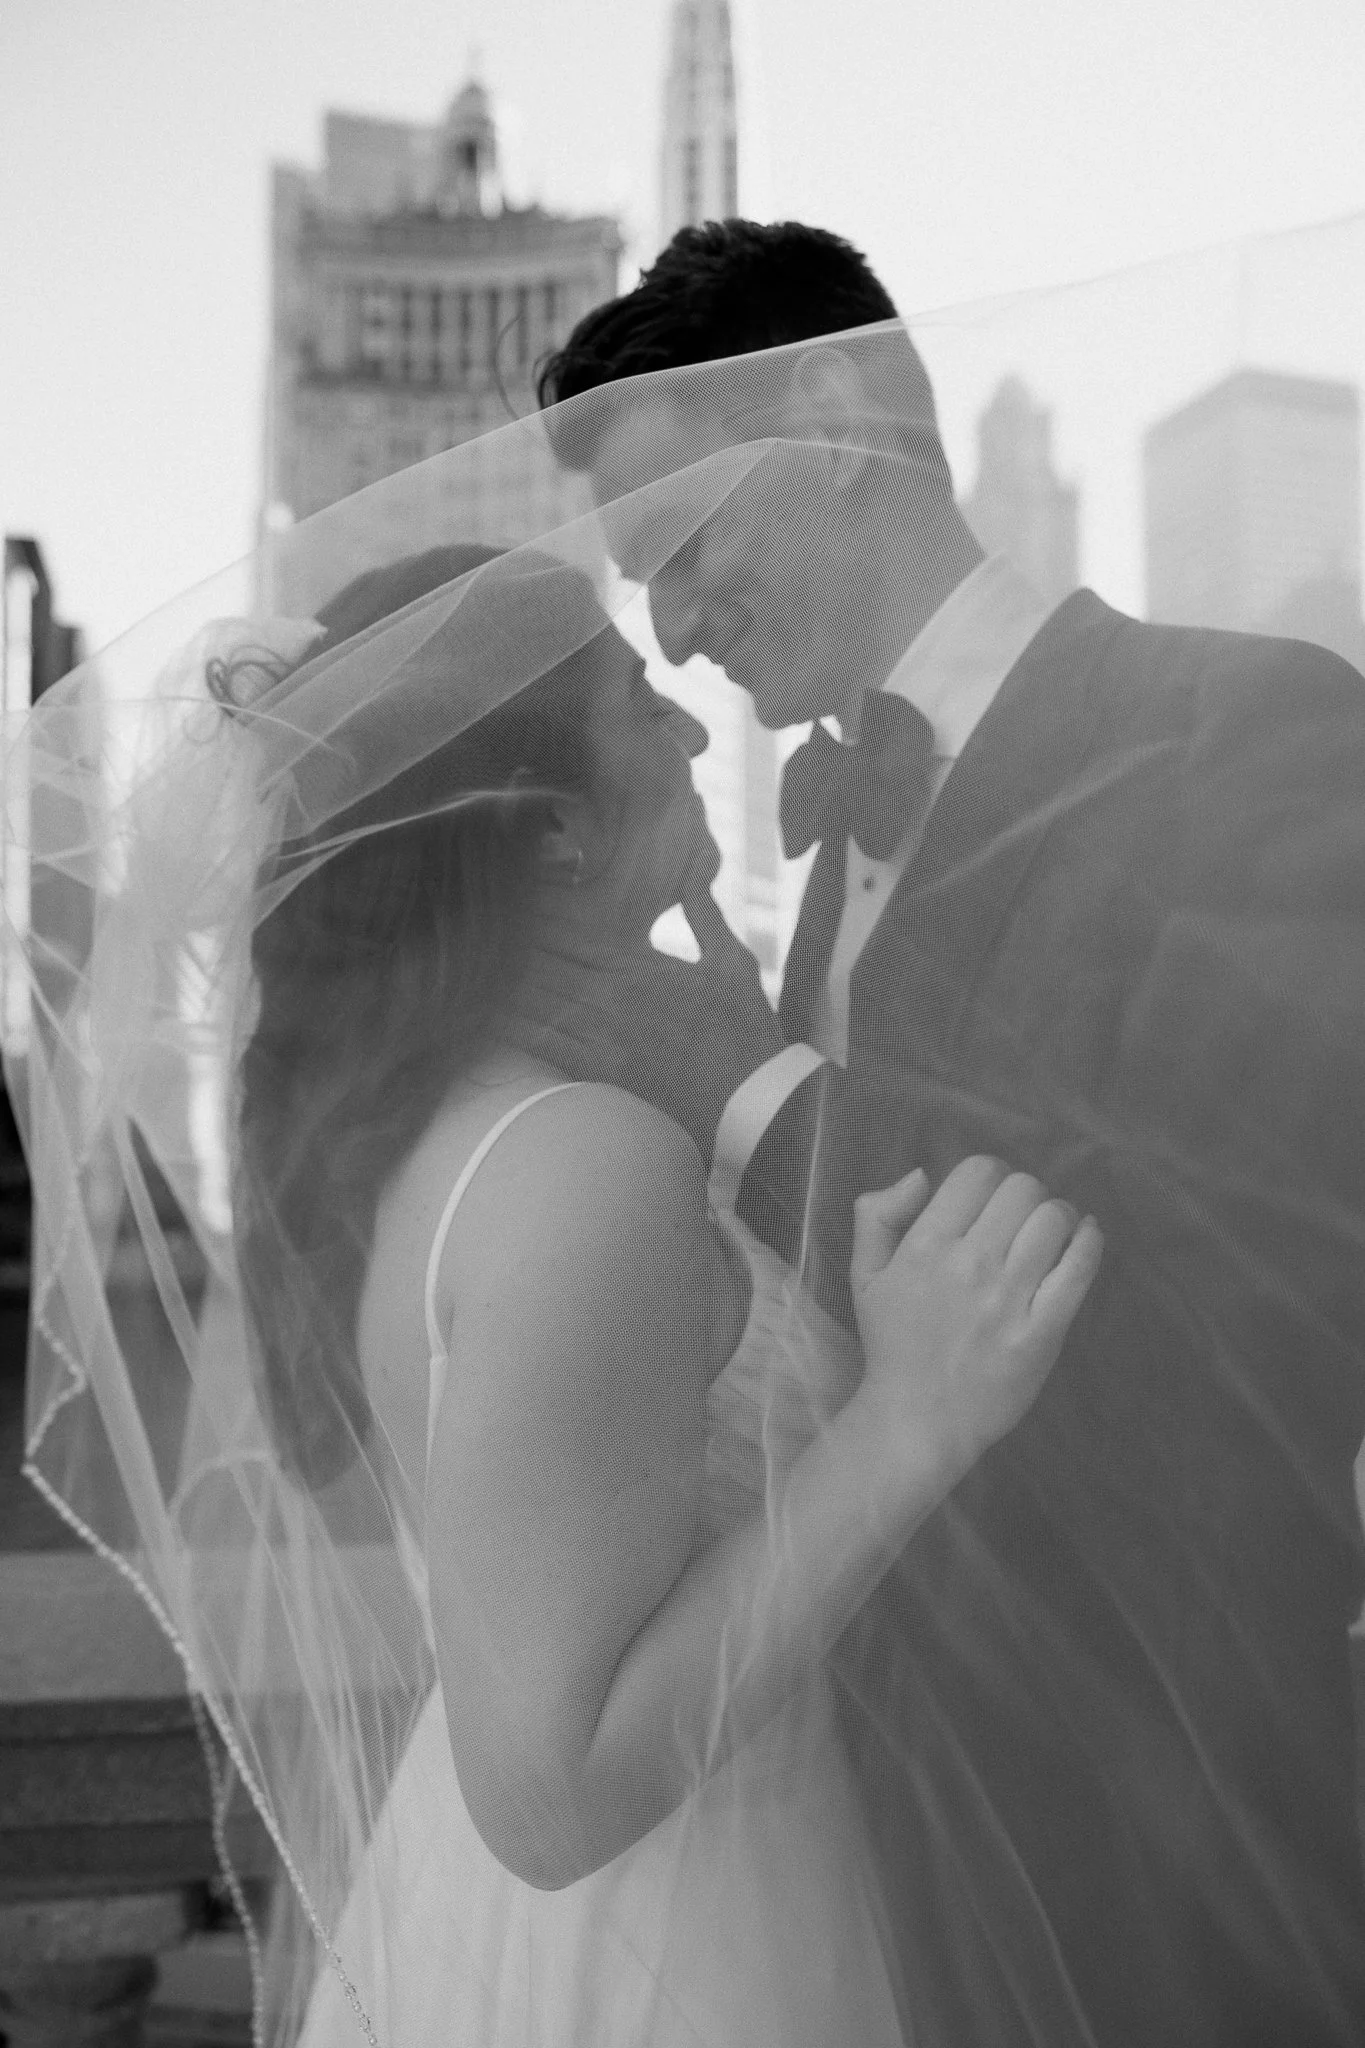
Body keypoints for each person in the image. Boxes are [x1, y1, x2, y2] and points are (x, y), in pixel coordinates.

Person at [531, 220, 1365, 2043]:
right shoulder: (831, 861)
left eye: (680, 546)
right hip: (899, 1827)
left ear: (838, 416)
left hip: (1187, 1826)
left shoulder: (1251, 729)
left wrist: (733, 1090)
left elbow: (1246, 1290)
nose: (668, 628)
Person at [212, 542, 1099, 2045]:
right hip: (675, 1952)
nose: (692, 722)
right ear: (557, 827)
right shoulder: (583, 1165)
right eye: (638, 703)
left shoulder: (446, 1124)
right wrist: (916, 1418)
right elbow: (554, 1801)